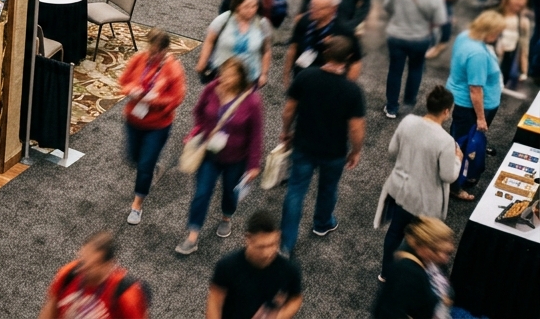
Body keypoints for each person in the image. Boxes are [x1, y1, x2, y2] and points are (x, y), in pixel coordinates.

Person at [279, 36, 366, 254]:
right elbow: (356, 128)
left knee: (295, 192)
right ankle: (322, 223)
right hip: (334, 152)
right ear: (346, 59)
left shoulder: (306, 76)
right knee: (328, 188)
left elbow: (289, 109)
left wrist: (286, 132)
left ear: (325, 54)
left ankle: (286, 244)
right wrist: (356, 151)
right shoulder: (352, 91)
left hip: (303, 146)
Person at [372, 86, 461, 281]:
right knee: (421, 240)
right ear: (447, 111)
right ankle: (409, 277)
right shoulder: (446, 141)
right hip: (424, 199)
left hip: (400, 190)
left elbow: (392, 151)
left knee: (395, 232)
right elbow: (448, 175)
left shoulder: (408, 122)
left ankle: (386, 273)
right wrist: (458, 160)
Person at [177, 58, 263, 256]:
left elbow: (256, 135)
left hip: (236, 158)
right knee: (201, 192)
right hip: (209, 154)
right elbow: (198, 111)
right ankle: (192, 236)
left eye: (231, 75)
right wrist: (200, 130)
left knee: (229, 192)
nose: (224, 77)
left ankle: (226, 216)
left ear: (241, 77)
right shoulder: (212, 88)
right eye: (223, 72)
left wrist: (253, 165)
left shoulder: (252, 101)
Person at [118, 30, 187, 225]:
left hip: (158, 125)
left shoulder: (173, 68)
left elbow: (177, 98)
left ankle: (137, 205)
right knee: (133, 158)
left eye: (157, 52)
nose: (152, 54)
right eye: (150, 49)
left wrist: (156, 100)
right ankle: (149, 164)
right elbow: (123, 81)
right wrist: (132, 90)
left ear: (165, 51)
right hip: (133, 120)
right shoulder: (140, 58)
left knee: (145, 165)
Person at [445, 11, 505, 201]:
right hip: (471, 108)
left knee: (459, 140)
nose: (497, 37)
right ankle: (454, 186)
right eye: (496, 33)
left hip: (465, 103)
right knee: (461, 146)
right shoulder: (477, 54)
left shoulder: (466, 36)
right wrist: (481, 118)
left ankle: (459, 174)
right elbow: (475, 90)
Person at [381, 0, 447, 118]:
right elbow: (440, 20)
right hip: (420, 39)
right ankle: (408, 104)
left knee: (395, 70)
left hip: (396, 36)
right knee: (415, 69)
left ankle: (391, 107)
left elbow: (386, 6)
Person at [207, 210, 303, 319]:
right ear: (248, 239)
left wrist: (279, 317)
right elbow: (215, 301)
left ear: (278, 236)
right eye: (261, 247)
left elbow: (296, 298)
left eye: (272, 244)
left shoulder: (289, 269)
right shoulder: (227, 266)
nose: (268, 253)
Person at [39, 231, 150, 319]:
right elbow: (49, 311)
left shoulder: (127, 295)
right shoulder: (68, 273)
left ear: (107, 266)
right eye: (82, 261)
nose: (82, 269)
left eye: (91, 266)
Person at [371, 217, 456, 319]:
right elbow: (388, 312)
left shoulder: (433, 261)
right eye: (440, 252)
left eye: (447, 253)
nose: (445, 258)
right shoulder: (406, 273)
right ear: (424, 248)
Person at [194, 0, 274, 88]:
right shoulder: (224, 19)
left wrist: (264, 74)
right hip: (221, 75)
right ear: (238, 6)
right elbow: (209, 40)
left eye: (254, 6)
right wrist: (202, 61)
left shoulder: (262, 24)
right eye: (247, 6)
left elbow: (266, 50)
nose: (251, 10)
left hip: (249, 78)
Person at [496, 0, 531, 88]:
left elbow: (524, 47)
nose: (521, 2)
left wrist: (524, 70)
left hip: (507, 61)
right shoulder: (494, 17)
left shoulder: (523, 22)